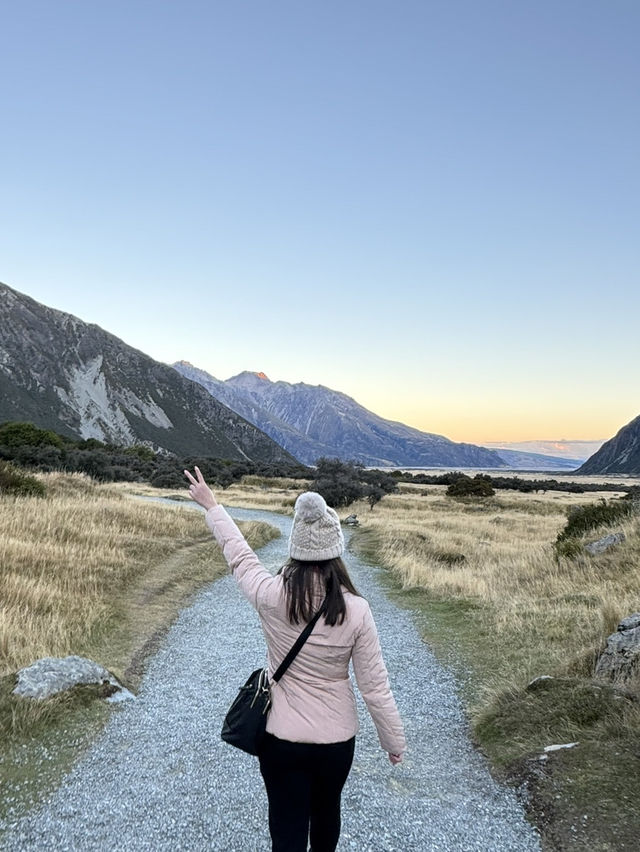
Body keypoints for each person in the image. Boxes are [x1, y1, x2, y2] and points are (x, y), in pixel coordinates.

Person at [184, 466, 406, 852]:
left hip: (281, 737)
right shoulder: (357, 610)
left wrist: (212, 507)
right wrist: (393, 741)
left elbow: (240, 557)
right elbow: (375, 688)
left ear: (296, 548)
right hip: (336, 742)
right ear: (336, 551)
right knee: (326, 817)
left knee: (285, 827)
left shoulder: (271, 595)